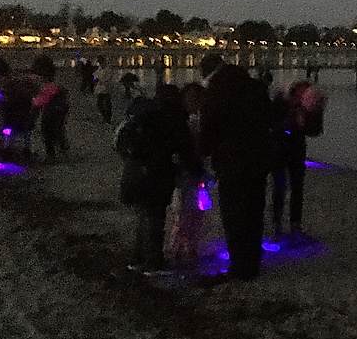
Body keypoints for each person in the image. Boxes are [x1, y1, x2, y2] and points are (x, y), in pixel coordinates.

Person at [199, 53, 274, 283]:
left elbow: (209, 129)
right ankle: (253, 263)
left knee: (234, 215)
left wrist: (204, 150)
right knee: (254, 211)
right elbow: (270, 118)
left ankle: (239, 265)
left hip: (231, 160)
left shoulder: (215, 91)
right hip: (258, 159)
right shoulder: (254, 87)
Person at [116, 87, 200, 276]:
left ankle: (138, 258)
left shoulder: (149, 115)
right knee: (155, 217)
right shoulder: (175, 119)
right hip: (157, 174)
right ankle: (154, 261)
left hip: (137, 171)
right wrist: (199, 172)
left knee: (144, 215)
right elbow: (185, 150)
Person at [270, 78, 325, 241]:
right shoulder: (281, 101)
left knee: (295, 188)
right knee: (281, 187)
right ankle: (279, 226)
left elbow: (315, 131)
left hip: (295, 148)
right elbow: (273, 123)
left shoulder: (310, 105)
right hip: (280, 147)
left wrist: (312, 115)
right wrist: (292, 122)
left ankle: (292, 226)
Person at [169, 82, 209, 268]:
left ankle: (188, 247)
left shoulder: (195, 120)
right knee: (184, 211)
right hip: (188, 173)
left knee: (194, 211)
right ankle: (179, 247)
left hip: (196, 172)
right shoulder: (185, 122)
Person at [30, 55, 70, 163]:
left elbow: (39, 102)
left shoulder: (48, 86)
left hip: (52, 111)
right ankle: (62, 148)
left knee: (47, 132)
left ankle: (51, 155)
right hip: (60, 110)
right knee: (57, 130)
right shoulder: (55, 85)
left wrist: (32, 115)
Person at [93, 57, 113, 124]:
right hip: (100, 88)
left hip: (106, 87)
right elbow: (95, 76)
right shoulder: (100, 69)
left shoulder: (108, 69)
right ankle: (105, 117)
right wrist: (95, 80)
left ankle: (107, 118)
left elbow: (107, 79)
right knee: (100, 104)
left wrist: (97, 79)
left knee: (107, 103)